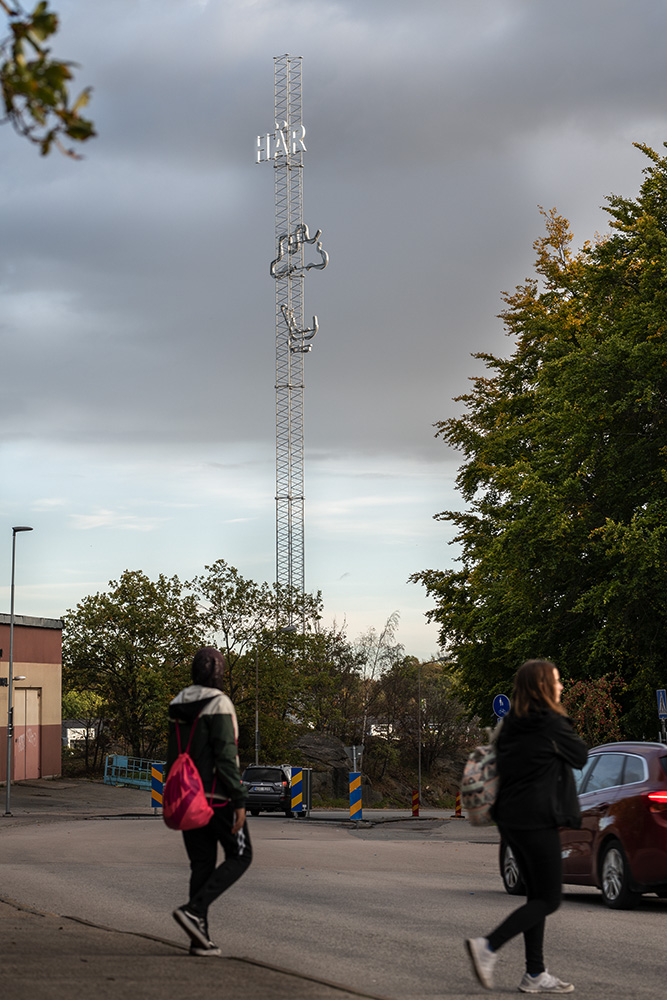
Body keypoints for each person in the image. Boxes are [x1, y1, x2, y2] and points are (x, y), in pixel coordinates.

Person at [465, 659, 588, 994]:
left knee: (536, 895)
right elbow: (580, 755)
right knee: (549, 899)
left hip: (510, 819)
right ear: (543, 686)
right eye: (557, 681)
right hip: (537, 819)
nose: (561, 686)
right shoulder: (549, 720)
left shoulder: (510, 723)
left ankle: (535, 972)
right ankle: (487, 946)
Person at [167, 646, 252, 957]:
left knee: (201, 864)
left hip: (187, 797)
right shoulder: (220, 703)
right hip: (218, 798)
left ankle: (197, 939)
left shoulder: (178, 703)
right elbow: (226, 755)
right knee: (241, 855)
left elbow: (173, 754)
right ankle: (195, 909)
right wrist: (239, 799)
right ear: (219, 672)